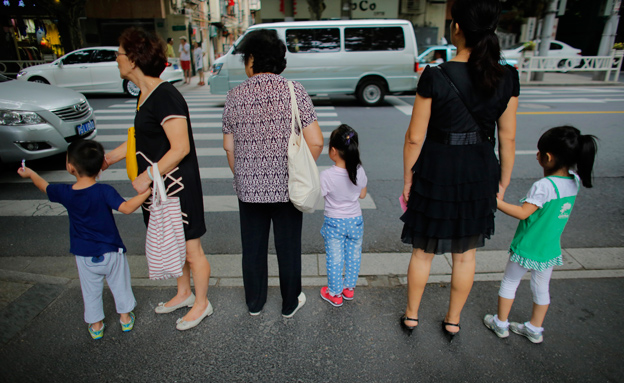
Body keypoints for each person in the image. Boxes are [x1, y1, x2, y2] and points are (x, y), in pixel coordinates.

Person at [399, 0, 519, 338]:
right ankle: (452, 321)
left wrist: (408, 179)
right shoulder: (507, 76)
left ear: (457, 29)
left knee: (423, 251)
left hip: (437, 171)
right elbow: (507, 138)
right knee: (465, 255)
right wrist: (502, 181)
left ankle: (411, 316)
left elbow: (414, 138)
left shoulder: (436, 76)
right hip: (480, 170)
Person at [103, 27, 212, 331]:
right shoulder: (145, 94)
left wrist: (147, 176)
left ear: (134, 59)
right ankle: (184, 293)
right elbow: (142, 137)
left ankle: (202, 303)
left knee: (191, 249)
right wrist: (109, 158)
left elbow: (181, 148)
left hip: (177, 186)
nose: (117, 59)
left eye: (120, 53)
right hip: (160, 187)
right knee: (175, 244)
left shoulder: (166, 95)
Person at [222, 29, 324, 318]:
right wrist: (298, 169)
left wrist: (245, 174)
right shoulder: (294, 90)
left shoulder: (233, 96)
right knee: (288, 247)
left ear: (252, 59)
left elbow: (229, 148)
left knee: (252, 249)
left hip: (249, 188)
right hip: (287, 188)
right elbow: (316, 141)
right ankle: (290, 303)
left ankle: (255, 303)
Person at [17, 139, 150, 340]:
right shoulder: (105, 191)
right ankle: (124, 318)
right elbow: (127, 208)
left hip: (84, 253)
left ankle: (96, 325)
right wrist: (147, 192)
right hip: (111, 250)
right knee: (120, 284)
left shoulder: (65, 193)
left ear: (71, 167)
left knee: (90, 290)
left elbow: (44, 186)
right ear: (100, 168)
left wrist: (31, 173)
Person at [484, 126, 598, 344]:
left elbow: (523, 213)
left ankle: (500, 323)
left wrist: (494, 201)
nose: (537, 154)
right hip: (549, 247)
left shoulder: (544, 185)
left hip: (528, 245)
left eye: (539, 151)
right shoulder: (573, 181)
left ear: (547, 157)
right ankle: (534, 328)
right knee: (541, 287)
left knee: (510, 282)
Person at [319, 124, 367, 307]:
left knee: (335, 258)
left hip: (334, 223)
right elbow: (362, 194)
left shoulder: (327, 176)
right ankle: (349, 289)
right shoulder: (359, 170)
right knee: (354, 254)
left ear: (333, 150)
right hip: (355, 220)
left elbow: (319, 195)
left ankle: (335, 293)